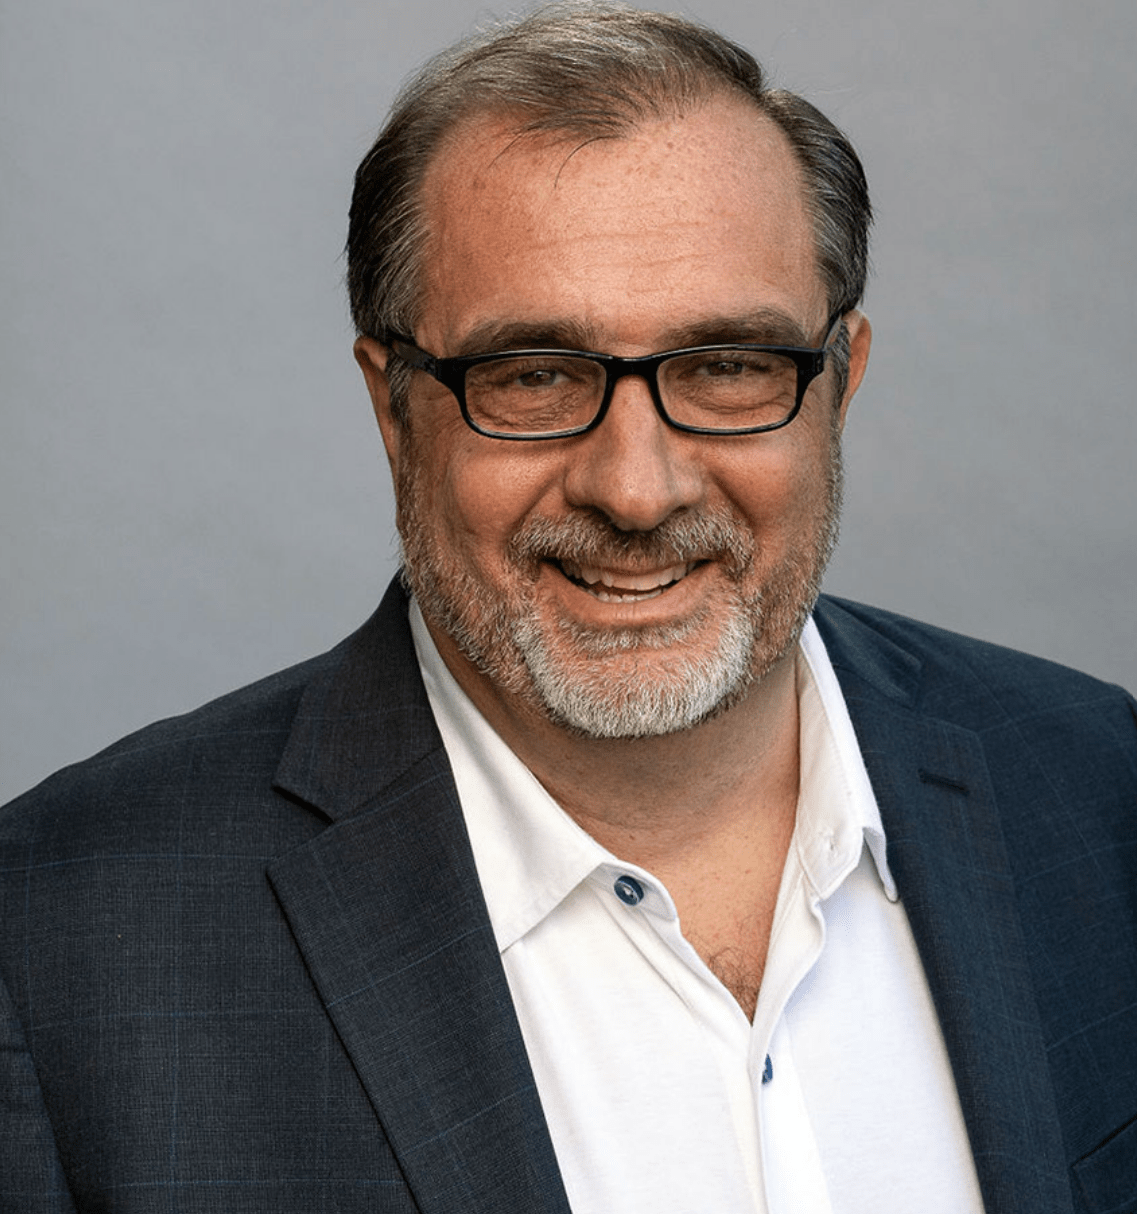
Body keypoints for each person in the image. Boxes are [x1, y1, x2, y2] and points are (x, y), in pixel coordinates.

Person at [2, 4, 1135, 1211]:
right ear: (395, 410)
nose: (636, 489)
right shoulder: (55, 944)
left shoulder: (1099, 786)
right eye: (534, 376)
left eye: (727, 365)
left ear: (839, 383)